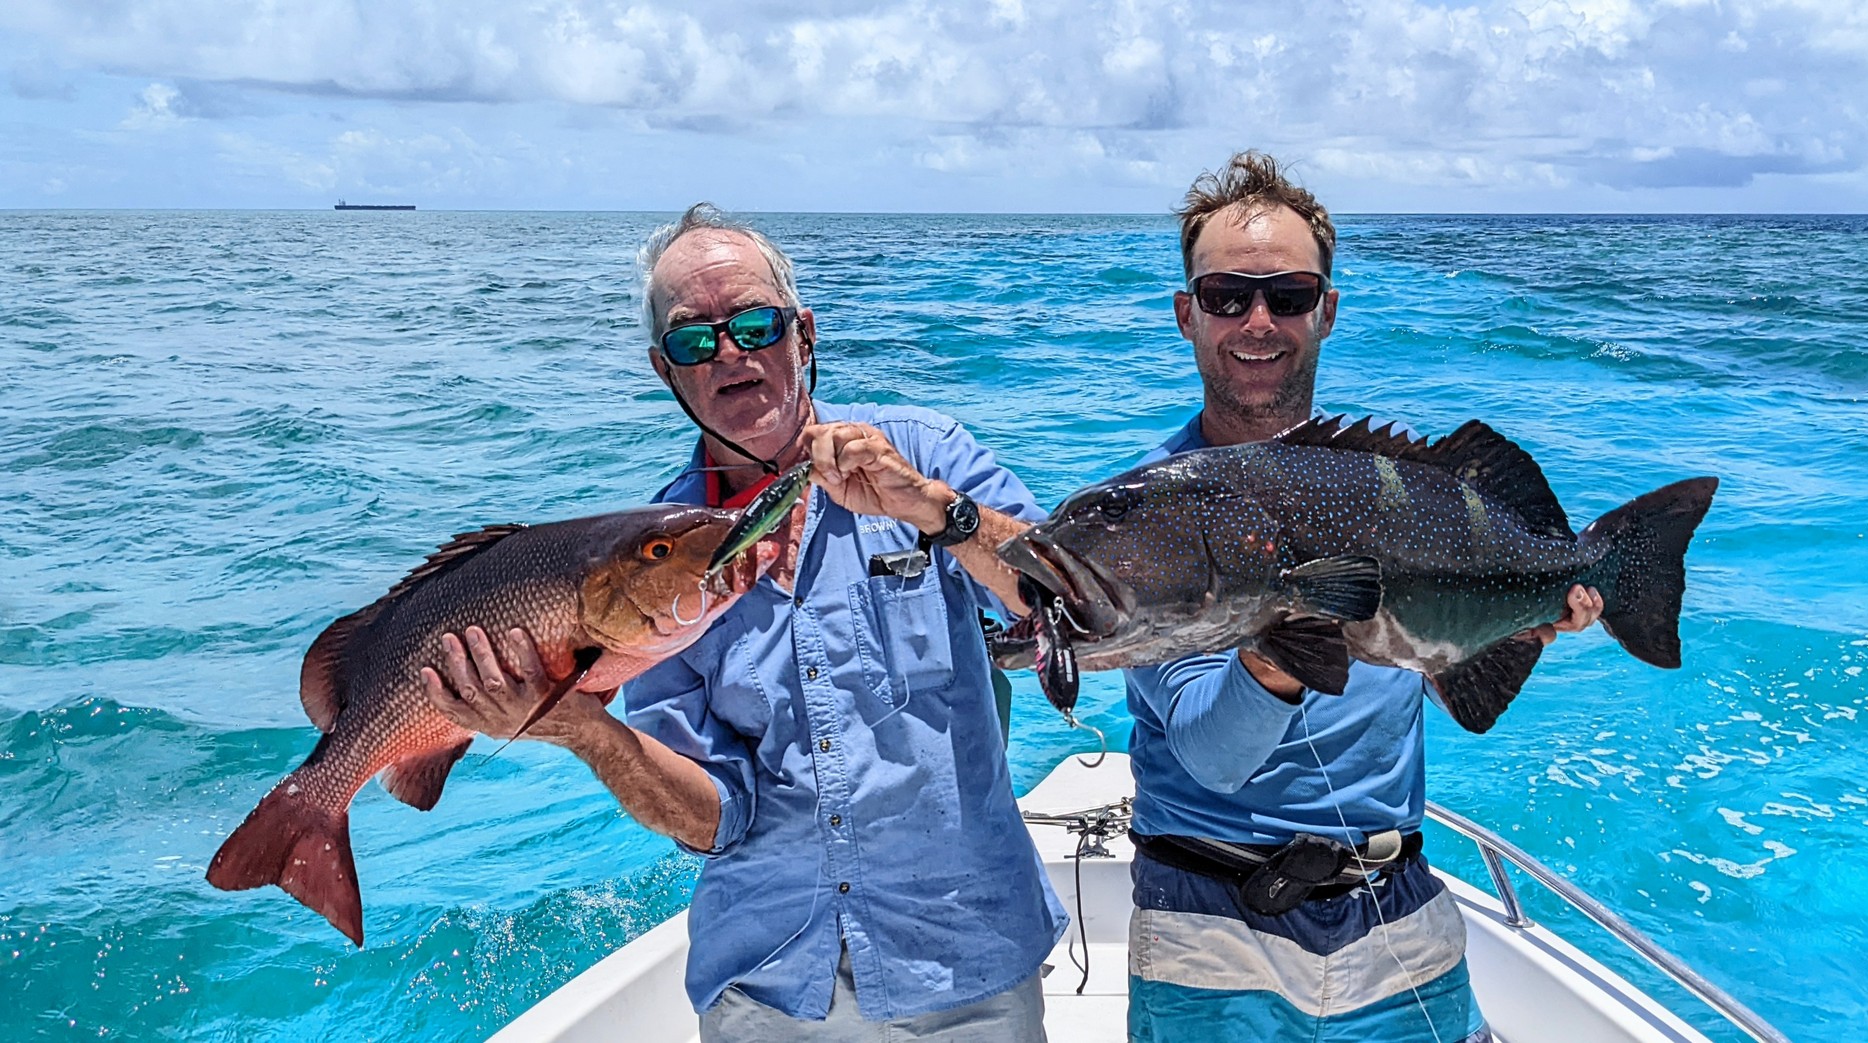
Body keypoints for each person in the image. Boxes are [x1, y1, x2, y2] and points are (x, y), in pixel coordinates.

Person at [423, 204, 1065, 1041]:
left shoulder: (926, 454)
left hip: (966, 961)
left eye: (755, 325)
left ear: (802, 334)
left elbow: (1066, 601)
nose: (731, 354)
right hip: (767, 986)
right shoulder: (645, 559)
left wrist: (935, 511)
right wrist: (582, 728)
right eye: (696, 340)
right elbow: (711, 816)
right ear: (667, 371)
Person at [1122, 152, 1603, 1043]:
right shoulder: (1153, 510)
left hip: (1396, 903)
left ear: (1327, 311)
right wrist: (1278, 647)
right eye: (1228, 295)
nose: (1258, 321)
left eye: (1289, 295)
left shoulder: (1401, 485)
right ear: (1187, 315)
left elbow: (1453, 671)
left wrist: (1526, 623)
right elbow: (1209, 754)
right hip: (1207, 921)